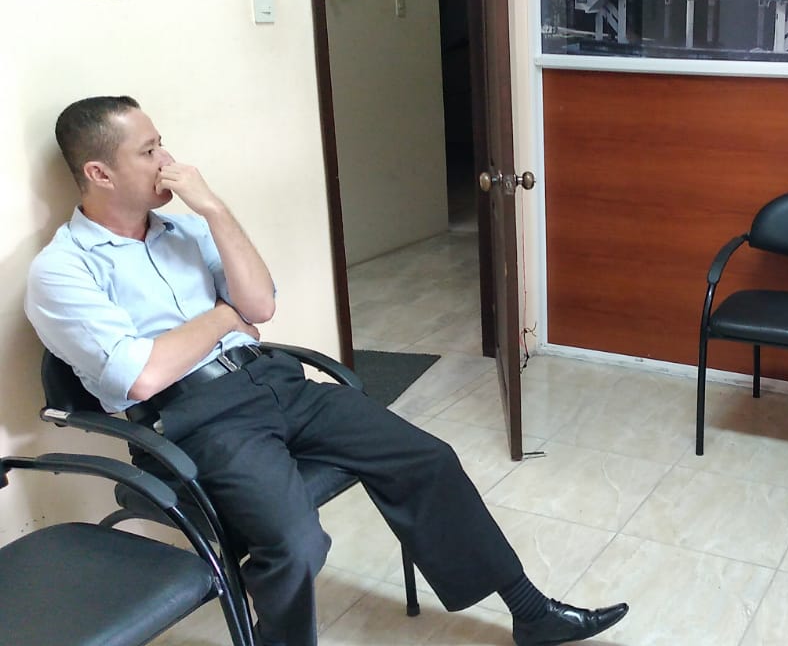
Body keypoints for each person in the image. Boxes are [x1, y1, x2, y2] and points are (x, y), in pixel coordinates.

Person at [25, 95, 628, 646]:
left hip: (272, 380)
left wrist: (214, 210)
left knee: (427, 459)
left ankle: (530, 613)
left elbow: (260, 305)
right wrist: (224, 318)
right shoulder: (62, 271)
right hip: (193, 419)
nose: (169, 161)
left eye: (162, 144)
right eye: (149, 151)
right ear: (100, 173)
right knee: (295, 542)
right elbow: (141, 377)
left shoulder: (185, 228)